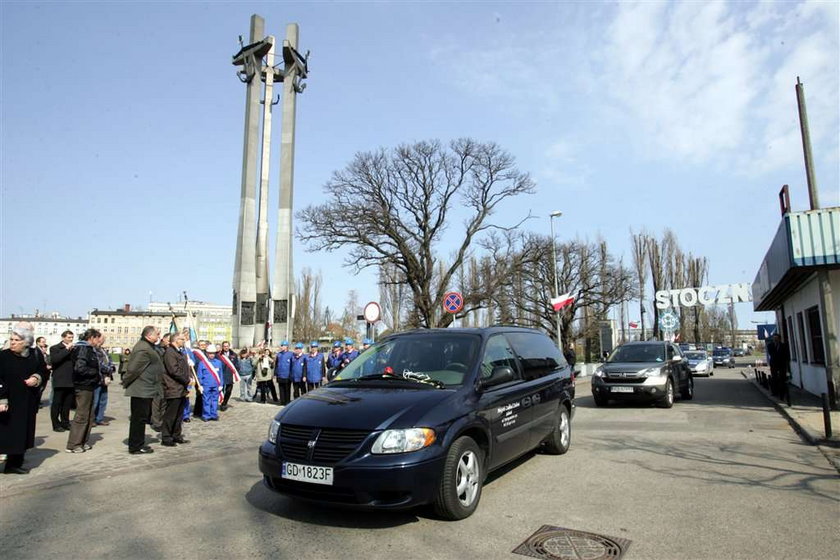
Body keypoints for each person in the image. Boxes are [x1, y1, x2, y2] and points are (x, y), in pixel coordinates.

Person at [0, 323, 48, 474]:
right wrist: (2, 399)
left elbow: (43, 371)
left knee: (21, 433)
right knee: (5, 433)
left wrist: (36, 377)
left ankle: (14, 464)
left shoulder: (35, 355)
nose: (12, 342)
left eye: (16, 340)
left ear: (25, 342)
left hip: (27, 401)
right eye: (12, 339)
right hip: (8, 401)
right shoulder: (3, 356)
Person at [123, 326, 164, 454]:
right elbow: (133, 369)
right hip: (141, 388)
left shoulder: (149, 346)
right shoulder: (143, 348)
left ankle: (139, 442)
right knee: (138, 419)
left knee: (142, 418)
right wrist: (126, 382)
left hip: (147, 388)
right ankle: (135, 446)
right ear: (149, 335)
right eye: (157, 334)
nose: (159, 337)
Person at [66, 328, 104, 453]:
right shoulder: (83, 349)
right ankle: (74, 444)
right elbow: (80, 368)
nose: (99, 341)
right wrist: (94, 373)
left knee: (89, 415)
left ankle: (83, 441)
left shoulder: (90, 350)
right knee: (82, 415)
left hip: (90, 385)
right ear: (92, 338)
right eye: (97, 339)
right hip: (83, 386)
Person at [161, 332, 191, 446]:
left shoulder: (180, 352)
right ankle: (167, 437)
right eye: (182, 339)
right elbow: (173, 370)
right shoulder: (170, 352)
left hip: (180, 388)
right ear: (175, 340)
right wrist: (186, 379)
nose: (184, 341)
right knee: (171, 414)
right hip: (172, 387)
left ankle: (176, 435)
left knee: (179, 414)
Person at [49, 330, 76, 432]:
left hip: (70, 380)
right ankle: (56, 424)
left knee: (67, 403)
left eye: (72, 337)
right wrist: (66, 350)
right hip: (60, 379)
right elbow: (55, 360)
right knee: (57, 403)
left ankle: (65, 422)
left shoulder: (73, 349)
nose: (71, 339)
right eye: (69, 337)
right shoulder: (55, 348)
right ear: (63, 337)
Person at [195, 343, 222, 421]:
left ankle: (214, 414)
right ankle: (206, 415)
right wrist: (200, 385)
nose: (212, 355)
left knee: (214, 401)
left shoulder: (218, 362)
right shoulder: (202, 363)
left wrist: (221, 384)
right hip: (206, 385)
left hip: (216, 384)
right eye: (210, 353)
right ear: (207, 353)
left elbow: (221, 375)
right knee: (206, 400)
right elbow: (199, 375)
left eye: (213, 353)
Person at [150, 333, 171, 431]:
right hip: (157, 378)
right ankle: (156, 422)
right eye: (169, 340)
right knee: (156, 402)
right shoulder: (157, 349)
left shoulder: (168, 350)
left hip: (166, 378)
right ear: (164, 339)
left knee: (164, 402)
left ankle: (162, 420)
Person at [92, 339, 115, 426]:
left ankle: (99, 418)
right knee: (95, 400)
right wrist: (109, 369)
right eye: (100, 340)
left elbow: (109, 359)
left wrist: (112, 368)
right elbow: (99, 364)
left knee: (103, 400)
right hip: (98, 378)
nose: (101, 342)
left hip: (105, 378)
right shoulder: (94, 350)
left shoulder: (103, 350)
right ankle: (92, 419)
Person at [766, 333, 791, 400]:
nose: (775, 339)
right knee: (774, 378)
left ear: (779, 339)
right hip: (774, 364)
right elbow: (772, 354)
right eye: (774, 338)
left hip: (782, 364)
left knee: (782, 378)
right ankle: (775, 392)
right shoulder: (770, 345)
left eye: (776, 338)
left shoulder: (784, 345)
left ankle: (782, 392)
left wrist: (786, 363)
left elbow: (786, 355)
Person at [218, 341, 238, 411]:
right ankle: (222, 403)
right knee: (221, 390)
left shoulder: (234, 355)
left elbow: (236, 365)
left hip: (230, 375)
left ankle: (225, 402)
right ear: (222, 347)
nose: (226, 347)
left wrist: (236, 373)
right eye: (224, 346)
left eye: (227, 346)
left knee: (229, 391)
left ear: (229, 346)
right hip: (221, 375)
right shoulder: (219, 355)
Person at [274, 341, 293, 405]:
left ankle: (287, 401)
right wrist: (275, 373)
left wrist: (291, 374)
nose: (281, 347)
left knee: (287, 389)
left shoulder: (290, 354)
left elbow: (292, 365)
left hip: (287, 375)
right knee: (281, 388)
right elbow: (276, 364)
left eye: (283, 346)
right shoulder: (279, 354)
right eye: (281, 346)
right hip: (280, 374)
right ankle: (282, 401)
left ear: (286, 347)